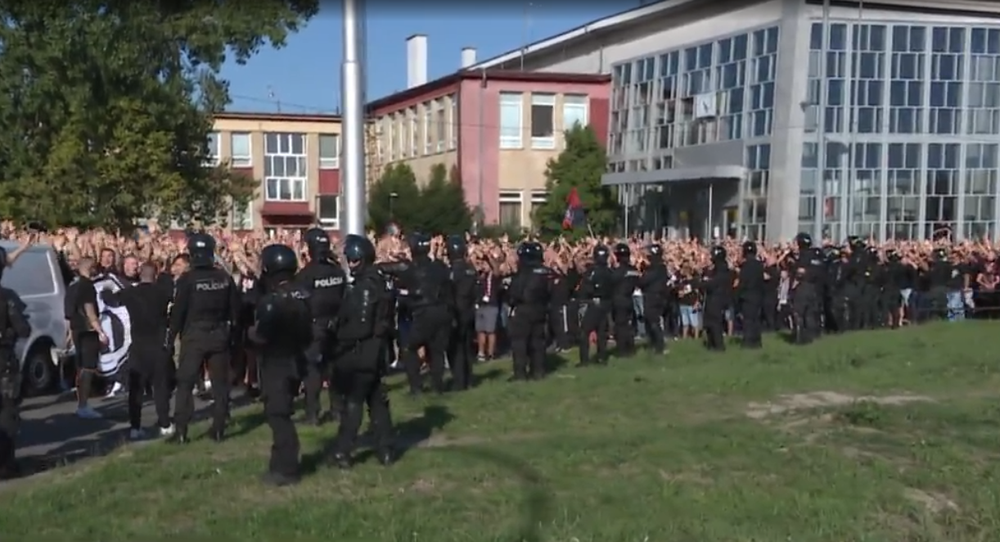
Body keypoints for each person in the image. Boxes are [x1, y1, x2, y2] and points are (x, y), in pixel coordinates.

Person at [330, 234, 395, 469]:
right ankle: (386, 450)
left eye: (355, 259)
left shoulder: (367, 285)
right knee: (378, 402)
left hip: (363, 352)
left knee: (354, 403)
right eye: (350, 259)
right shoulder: (377, 280)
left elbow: (362, 325)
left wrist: (338, 337)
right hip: (375, 351)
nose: (351, 263)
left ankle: (343, 452)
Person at [250, 243, 313, 486]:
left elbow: (262, 336)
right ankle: (278, 464)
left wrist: (250, 334)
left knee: (278, 415)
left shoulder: (271, 302)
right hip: (296, 359)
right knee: (281, 412)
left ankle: (287, 468)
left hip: (276, 364)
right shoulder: (303, 294)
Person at [168, 233, 240, 443]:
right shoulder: (223, 278)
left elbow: (178, 312)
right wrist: (232, 337)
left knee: (185, 383)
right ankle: (218, 428)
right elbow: (235, 311)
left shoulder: (187, 279)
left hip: (194, 336)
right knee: (219, 385)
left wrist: (171, 336)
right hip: (219, 334)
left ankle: (181, 431)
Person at [102, 262, 174, 439]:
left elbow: (109, 299)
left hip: (138, 346)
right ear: (155, 275)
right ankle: (164, 423)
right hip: (158, 346)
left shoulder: (130, 292)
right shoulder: (162, 293)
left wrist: (106, 287)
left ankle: (135, 427)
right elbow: (171, 289)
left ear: (139, 274)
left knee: (136, 390)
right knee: (161, 388)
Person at [382, 233, 451, 396]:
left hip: (423, 312)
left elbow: (384, 268)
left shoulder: (408, 267)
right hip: (442, 311)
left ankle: (416, 387)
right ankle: (438, 386)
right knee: (436, 351)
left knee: (409, 348)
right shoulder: (440, 266)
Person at [295, 227, 346, 425]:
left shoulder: (306, 275)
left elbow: (301, 304)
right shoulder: (338, 271)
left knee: (312, 371)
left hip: (314, 327)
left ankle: (312, 414)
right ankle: (337, 410)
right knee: (334, 369)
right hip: (336, 325)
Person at [0, 247, 33, 480]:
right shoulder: (7, 297)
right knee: (7, 413)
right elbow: (23, 328)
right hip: (4, 362)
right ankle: (5, 465)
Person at [67, 257, 109, 419]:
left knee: (81, 367)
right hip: (88, 330)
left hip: (76, 329)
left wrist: (69, 332)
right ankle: (83, 405)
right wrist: (101, 332)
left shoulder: (72, 286)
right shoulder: (87, 286)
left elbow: (68, 313)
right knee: (88, 368)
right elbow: (90, 310)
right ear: (90, 268)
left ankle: (81, 403)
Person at [506, 241, 551, 381]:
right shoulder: (545, 271)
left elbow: (515, 293)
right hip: (540, 310)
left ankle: (520, 374)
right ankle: (538, 371)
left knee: (519, 343)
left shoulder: (524, 272)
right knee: (538, 343)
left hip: (523, 311)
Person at [446, 235, 477, 391]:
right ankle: (469, 379)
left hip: (456, 312)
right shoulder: (471, 269)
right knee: (467, 347)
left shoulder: (451, 271)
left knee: (455, 348)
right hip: (470, 311)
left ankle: (459, 381)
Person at [578, 245, 614, 366]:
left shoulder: (592, 271)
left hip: (595, 302)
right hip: (606, 303)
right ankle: (602, 357)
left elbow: (585, 288)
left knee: (584, 331)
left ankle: (584, 360)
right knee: (601, 332)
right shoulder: (610, 271)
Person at [638, 244, 670, 354]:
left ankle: (659, 346)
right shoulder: (662, 268)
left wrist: (641, 275)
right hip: (659, 297)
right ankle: (655, 344)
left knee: (653, 322)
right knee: (652, 321)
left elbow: (643, 281)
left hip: (652, 298)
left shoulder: (654, 269)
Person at [610, 243, 640, 357]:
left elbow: (611, 282)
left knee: (620, 326)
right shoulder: (634, 270)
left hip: (618, 300)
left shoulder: (618, 271)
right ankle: (631, 347)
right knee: (629, 326)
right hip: (629, 299)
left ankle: (622, 350)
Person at [700, 246, 732, 351]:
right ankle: (711, 344)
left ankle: (718, 345)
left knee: (714, 322)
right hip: (713, 298)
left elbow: (713, 283)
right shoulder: (717, 268)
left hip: (717, 299)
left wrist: (704, 283)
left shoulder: (722, 269)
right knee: (709, 322)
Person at [737, 241, 765, 348]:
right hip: (758, 296)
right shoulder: (759, 265)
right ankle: (757, 341)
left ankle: (748, 342)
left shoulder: (745, 266)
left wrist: (738, 294)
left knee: (748, 320)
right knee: (756, 320)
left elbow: (743, 282)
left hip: (747, 296)